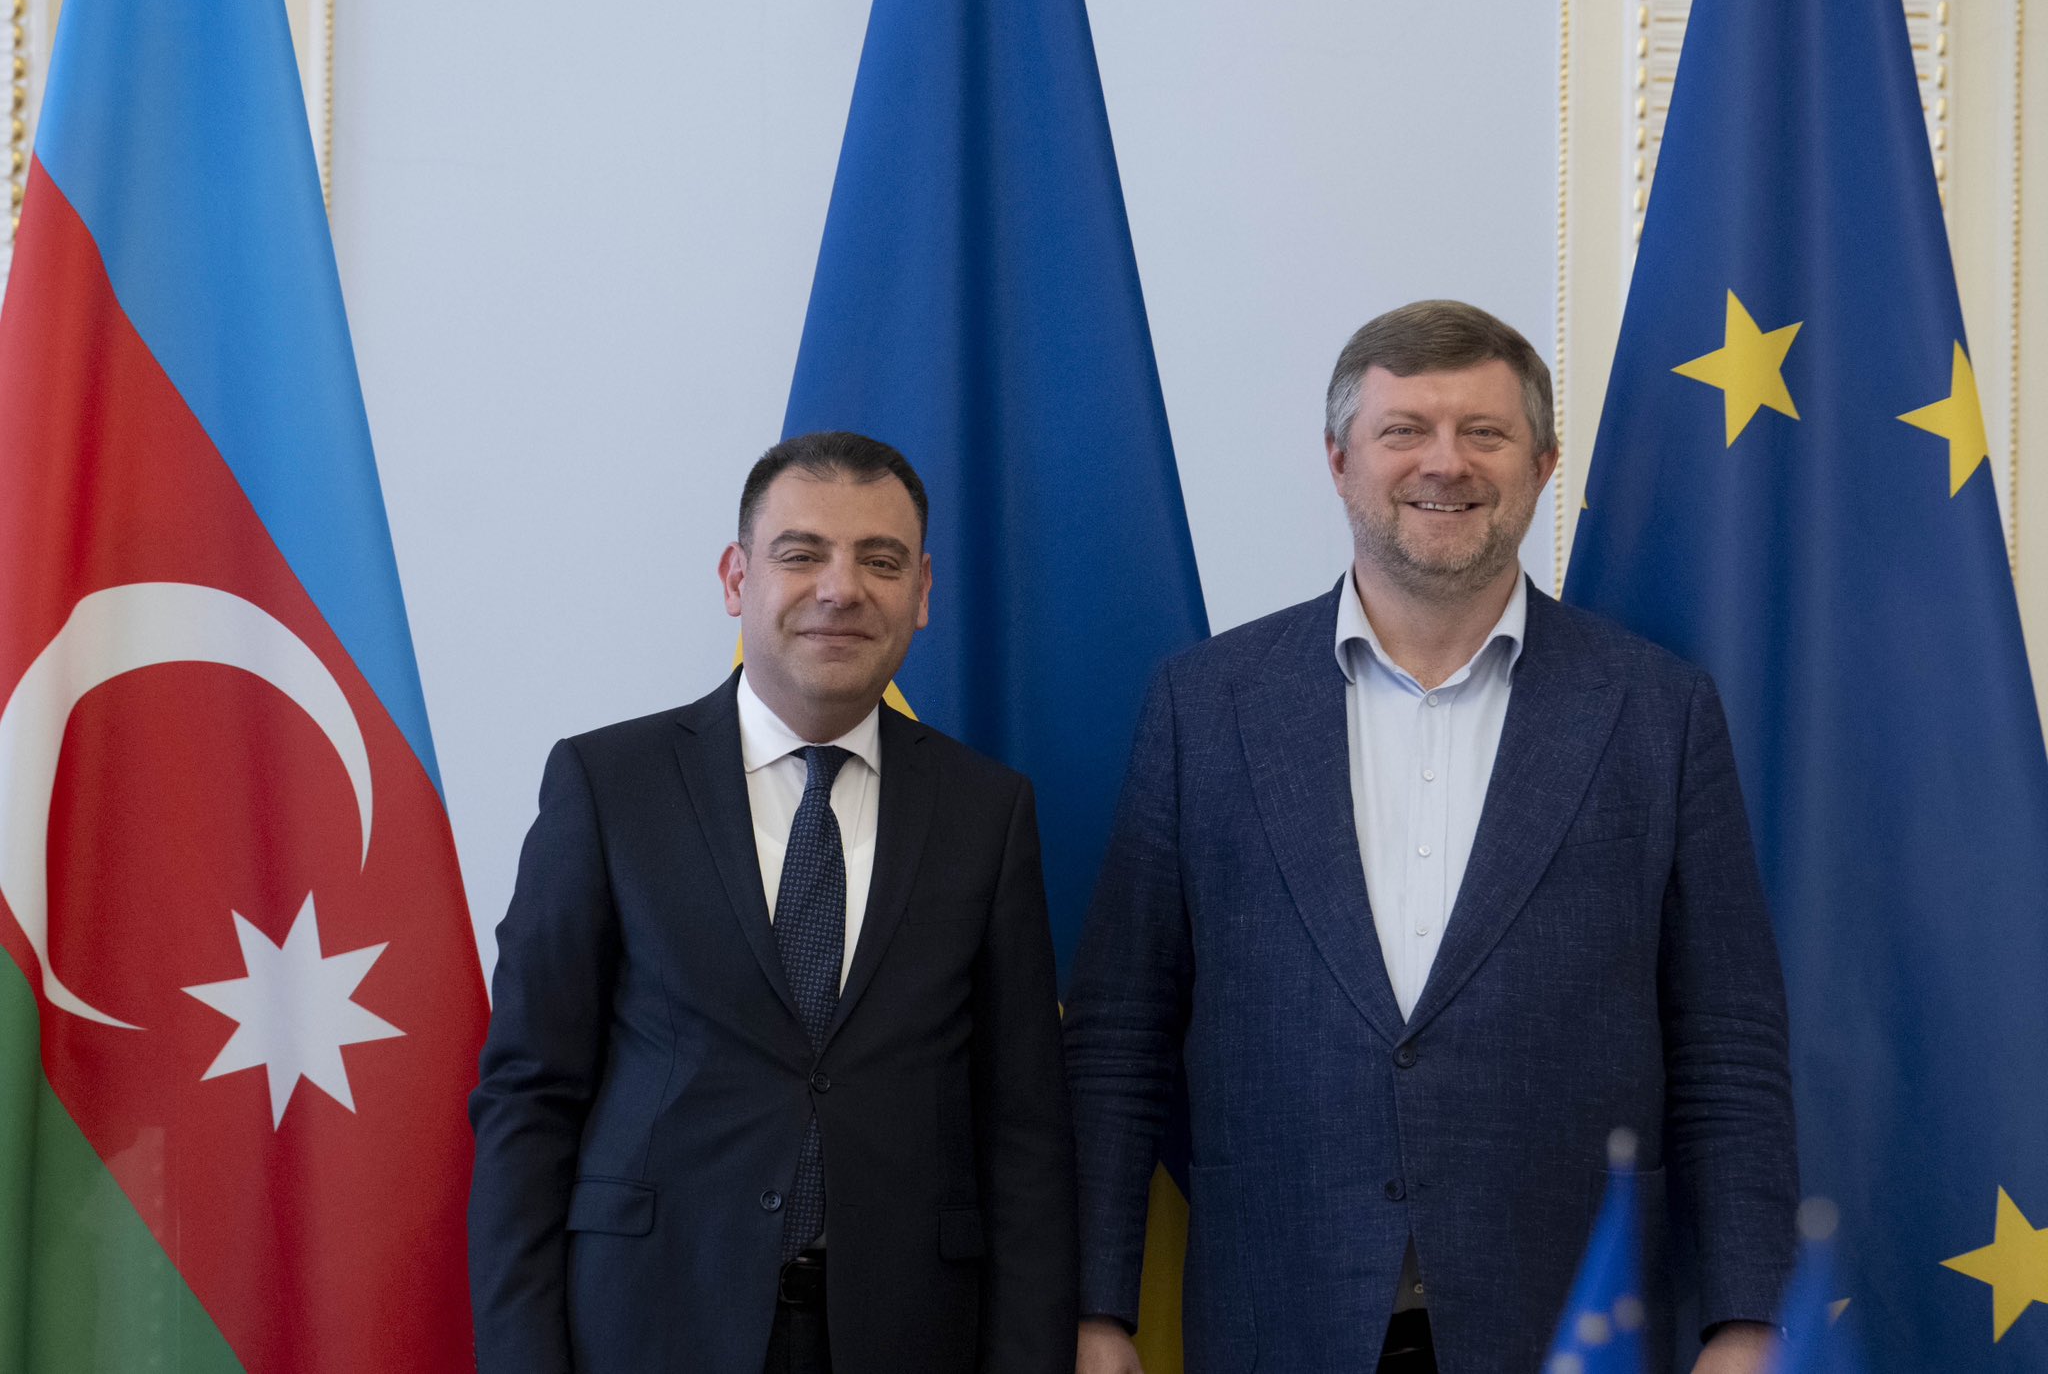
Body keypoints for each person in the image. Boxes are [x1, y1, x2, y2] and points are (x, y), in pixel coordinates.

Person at [1062, 302, 1797, 1374]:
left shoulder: (1656, 711)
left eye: (1484, 433)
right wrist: (1096, 1308)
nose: (1444, 462)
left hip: (1570, 1318)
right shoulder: (1204, 706)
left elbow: (1725, 1040)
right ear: (1338, 461)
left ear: (1541, 465)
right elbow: (1120, 1036)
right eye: (1403, 430)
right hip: (1278, 1313)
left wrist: (1745, 1318)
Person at [470, 431, 1077, 1374]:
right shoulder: (608, 785)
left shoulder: (988, 811)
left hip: (912, 1334)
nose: (841, 589)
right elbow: (529, 1096)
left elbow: (1024, 1129)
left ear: (922, 593)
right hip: (649, 1327)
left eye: (881, 561)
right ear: (735, 578)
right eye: (802, 554)